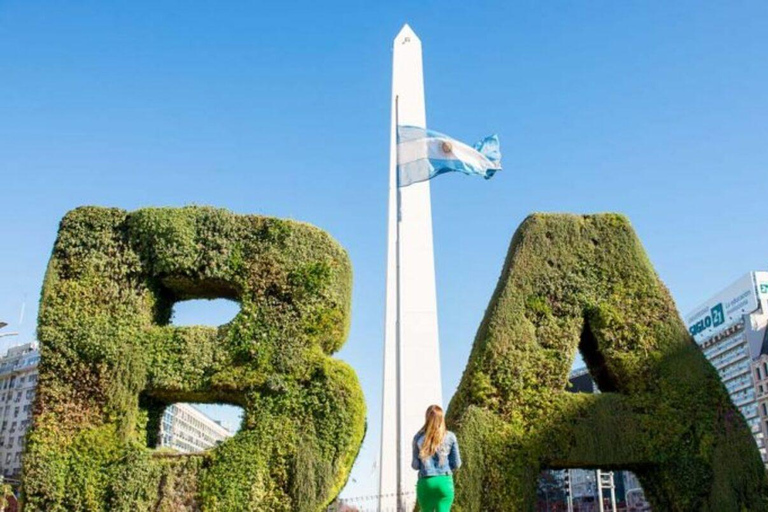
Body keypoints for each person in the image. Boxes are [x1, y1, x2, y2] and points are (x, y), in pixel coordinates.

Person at [412, 404, 461, 512]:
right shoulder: (450, 436)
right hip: (444, 481)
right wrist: (445, 468)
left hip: (426, 482)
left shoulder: (418, 437)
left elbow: (415, 466)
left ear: (427, 418)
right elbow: (457, 463)